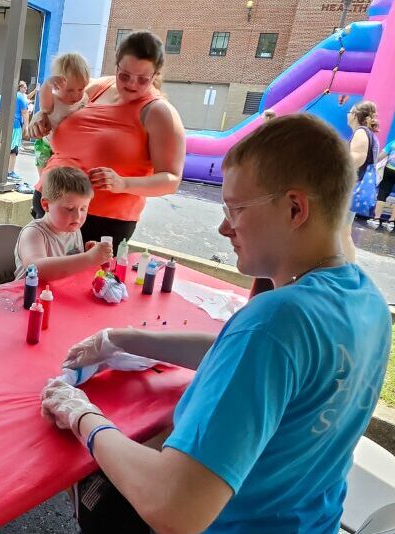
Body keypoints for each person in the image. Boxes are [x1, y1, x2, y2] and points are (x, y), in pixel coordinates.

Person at [41, 115, 391, 533]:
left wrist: (82, 414)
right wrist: (122, 338)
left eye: (235, 209)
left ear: (296, 208)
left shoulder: (275, 322)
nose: (223, 226)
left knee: (94, 477)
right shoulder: (366, 300)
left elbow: (174, 508)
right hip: (311, 522)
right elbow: (246, 355)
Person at [29, 31, 185, 246]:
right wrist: (41, 116)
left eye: (143, 79)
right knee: (36, 275)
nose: (131, 84)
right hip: (48, 204)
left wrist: (123, 183)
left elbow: (171, 181)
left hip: (101, 219)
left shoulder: (159, 113)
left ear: (156, 75)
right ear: (117, 65)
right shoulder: (95, 88)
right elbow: (58, 106)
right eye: (125, 75)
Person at [14, 167, 112, 280]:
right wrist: (88, 258)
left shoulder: (73, 229)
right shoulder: (34, 233)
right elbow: (36, 269)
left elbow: (68, 268)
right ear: (46, 205)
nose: (78, 216)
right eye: (70, 209)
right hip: (27, 295)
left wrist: (87, 254)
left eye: (83, 209)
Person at [34, 53, 91, 171]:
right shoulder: (53, 100)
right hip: (46, 144)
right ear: (57, 85)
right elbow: (44, 108)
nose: (76, 95)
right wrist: (47, 85)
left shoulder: (84, 98)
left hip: (68, 148)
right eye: (70, 90)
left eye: (80, 89)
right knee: (45, 177)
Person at [346, 101, 380, 256]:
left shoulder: (361, 132)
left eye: (349, 112)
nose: (348, 114)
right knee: (342, 232)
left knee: (342, 233)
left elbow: (356, 159)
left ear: (354, 115)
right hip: (357, 185)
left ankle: (348, 270)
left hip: (351, 186)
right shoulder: (370, 134)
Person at [0, 80, 30, 181]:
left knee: (2, 148)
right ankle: (10, 171)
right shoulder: (20, 97)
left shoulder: (1, 97)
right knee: (13, 148)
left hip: (3, 126)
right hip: (15, 126)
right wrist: (26, 127)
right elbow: (25, 113)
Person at [373, 139, 395, 228]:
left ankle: (376, 219)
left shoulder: (393, 143)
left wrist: (372, 164)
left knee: (382, 192)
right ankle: (391, 222)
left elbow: (381, 156)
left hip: (389, 171)